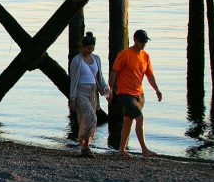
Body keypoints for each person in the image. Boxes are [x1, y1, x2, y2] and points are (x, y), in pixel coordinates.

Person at [110, 29, 163, 157]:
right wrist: (110, 90)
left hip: (139, 95)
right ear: (135, 40)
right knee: (140, 118)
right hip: (125, 93)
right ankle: (144, 150)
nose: (143, 44)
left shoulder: (146, 56)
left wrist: (157, 89)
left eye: (145, 42)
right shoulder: (125, 54)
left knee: (128, 120)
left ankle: (121, 150)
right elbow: (114, 72)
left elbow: (149, 75)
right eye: (141, 41)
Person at [68, 31, 110, 157]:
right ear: (82, 47)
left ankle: (85, 146)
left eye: (92, 48)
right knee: (90, 117)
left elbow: (99, 77)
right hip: (81, 91)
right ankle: (84, 144)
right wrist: (72, 98)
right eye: (88, 48)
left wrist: (107, 91)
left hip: (93, 92)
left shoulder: (96, 58)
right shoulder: (77, 60)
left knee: (88, 120)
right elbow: (74, 80)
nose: (90, 50)